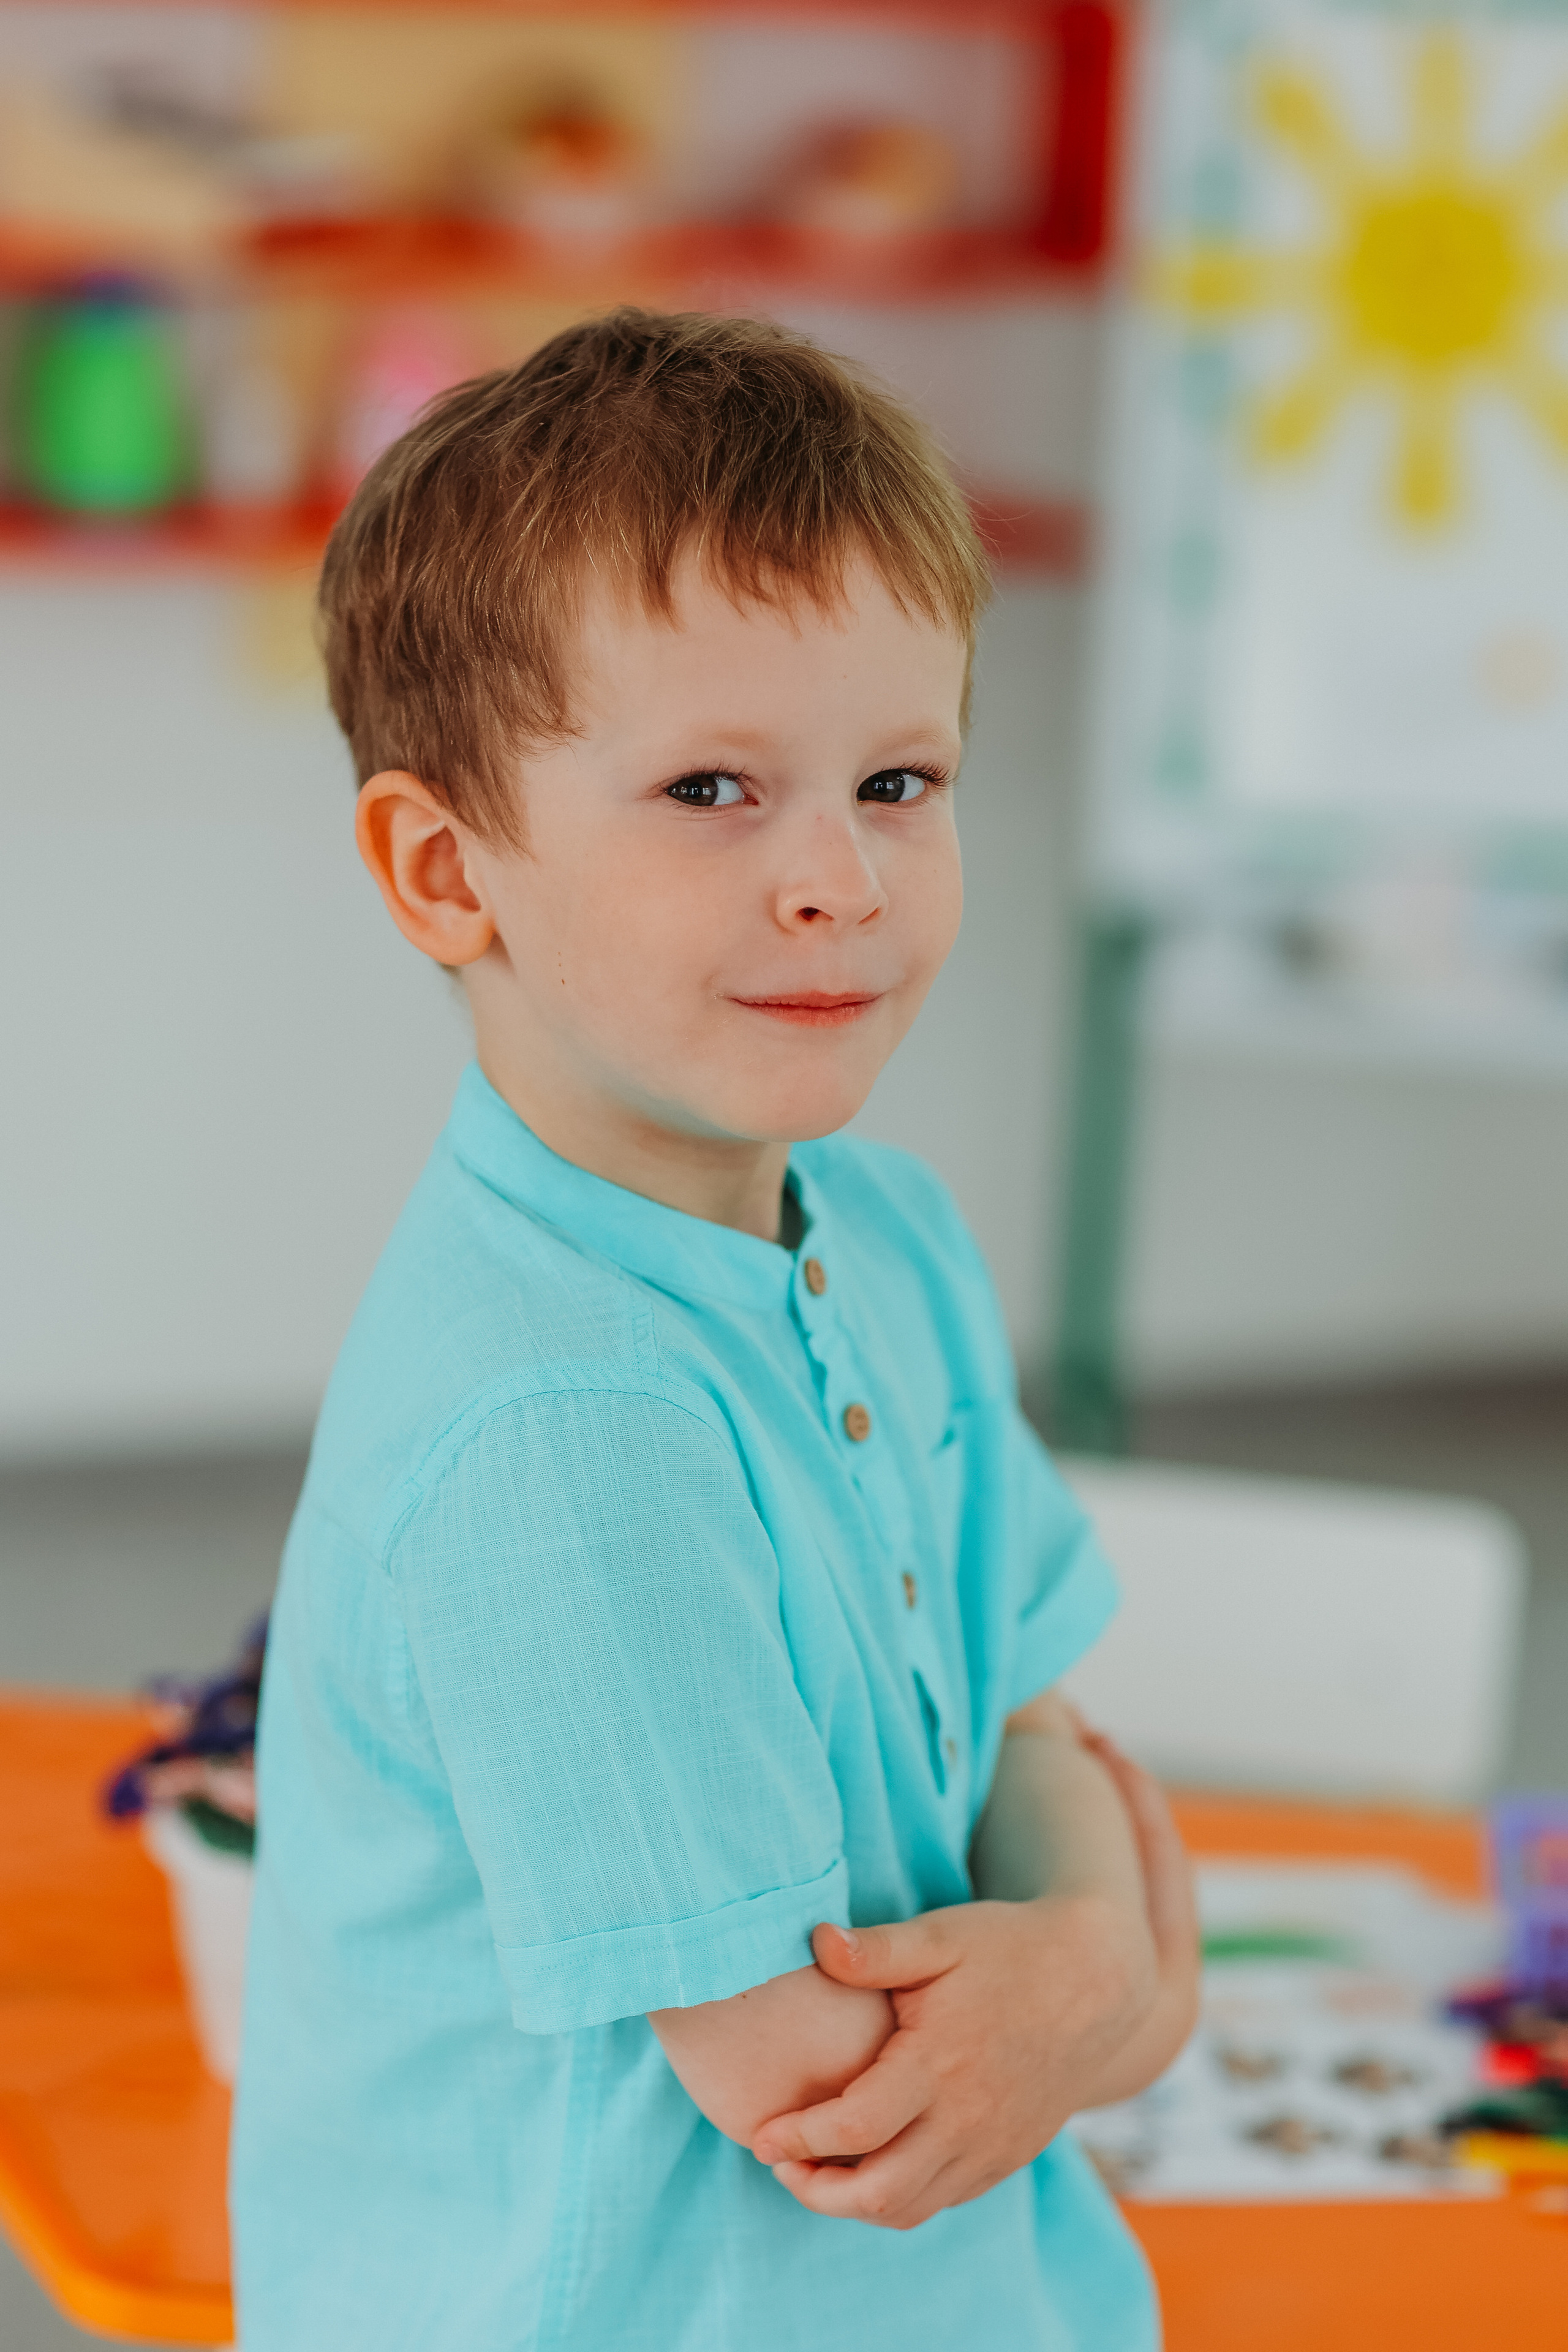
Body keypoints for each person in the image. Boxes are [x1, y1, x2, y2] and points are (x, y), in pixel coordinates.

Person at [230, 307, 1199, 2351]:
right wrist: (1113, 1976)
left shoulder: (892, 1236)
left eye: (898, 779)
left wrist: (1095, 1954)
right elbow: (828, 2101)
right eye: (711, 788)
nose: (840, 875)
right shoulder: (566, 1425)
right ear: (445, 869)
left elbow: (1034, 1728)